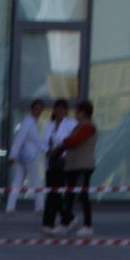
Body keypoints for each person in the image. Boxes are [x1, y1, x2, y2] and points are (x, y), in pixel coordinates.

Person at [57, 99, 99, 238]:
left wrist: (64, 143)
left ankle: (88, 225)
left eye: (77, 111)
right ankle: (66, 222)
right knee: (69, 195)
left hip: (83, 166)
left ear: (83, 112)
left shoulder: (88, 127)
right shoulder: (78, 126)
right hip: (73, 166)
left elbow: (74, 141)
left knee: (83, 195)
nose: (75, 113)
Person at [40, 99, 78, 235]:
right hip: (51, 161)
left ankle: (48, 222)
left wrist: (64, 153)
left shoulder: (71, 124)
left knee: (55, 193)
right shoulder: (50, 125)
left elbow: (72, 142)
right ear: (54, 110)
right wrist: (47, 151)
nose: (60, 112)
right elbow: (44, 142)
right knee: (51, 192)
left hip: (63, 161)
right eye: (57, 109)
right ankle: (67, 217)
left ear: (66, 111)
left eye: (63, 110)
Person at [5, 98, 46, 214]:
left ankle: (10, 207)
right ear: (32, 109)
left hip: (25, 156)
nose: (38, 112)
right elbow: (20, 138)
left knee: (18, 180)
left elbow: (38, 142)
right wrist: (12, 155)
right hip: (29, 156)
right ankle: (40, 206)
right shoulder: (28, 122)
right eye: (36, 109)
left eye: (40, 110)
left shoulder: (34, 123)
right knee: (36, 181)